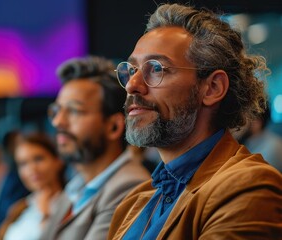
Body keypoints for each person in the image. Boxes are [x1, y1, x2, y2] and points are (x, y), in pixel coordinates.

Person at [108, 3, 282, 239]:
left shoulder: (249, 186)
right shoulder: (134, 202)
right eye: (132, 70)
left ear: (212, 88)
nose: (131, 85)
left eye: (156, 69)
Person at [42, 56, 150, 240]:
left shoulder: (129, 187)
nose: (57, 121)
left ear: (113, 127)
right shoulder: (77, 185)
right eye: (57, 110)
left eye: (74, 111)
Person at [0, 132, 65, 240]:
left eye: (38, 159)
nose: (32, 169)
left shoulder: (72, 203)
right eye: (23, 164)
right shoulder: (20, 207)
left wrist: (46, 216)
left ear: (58, 161)